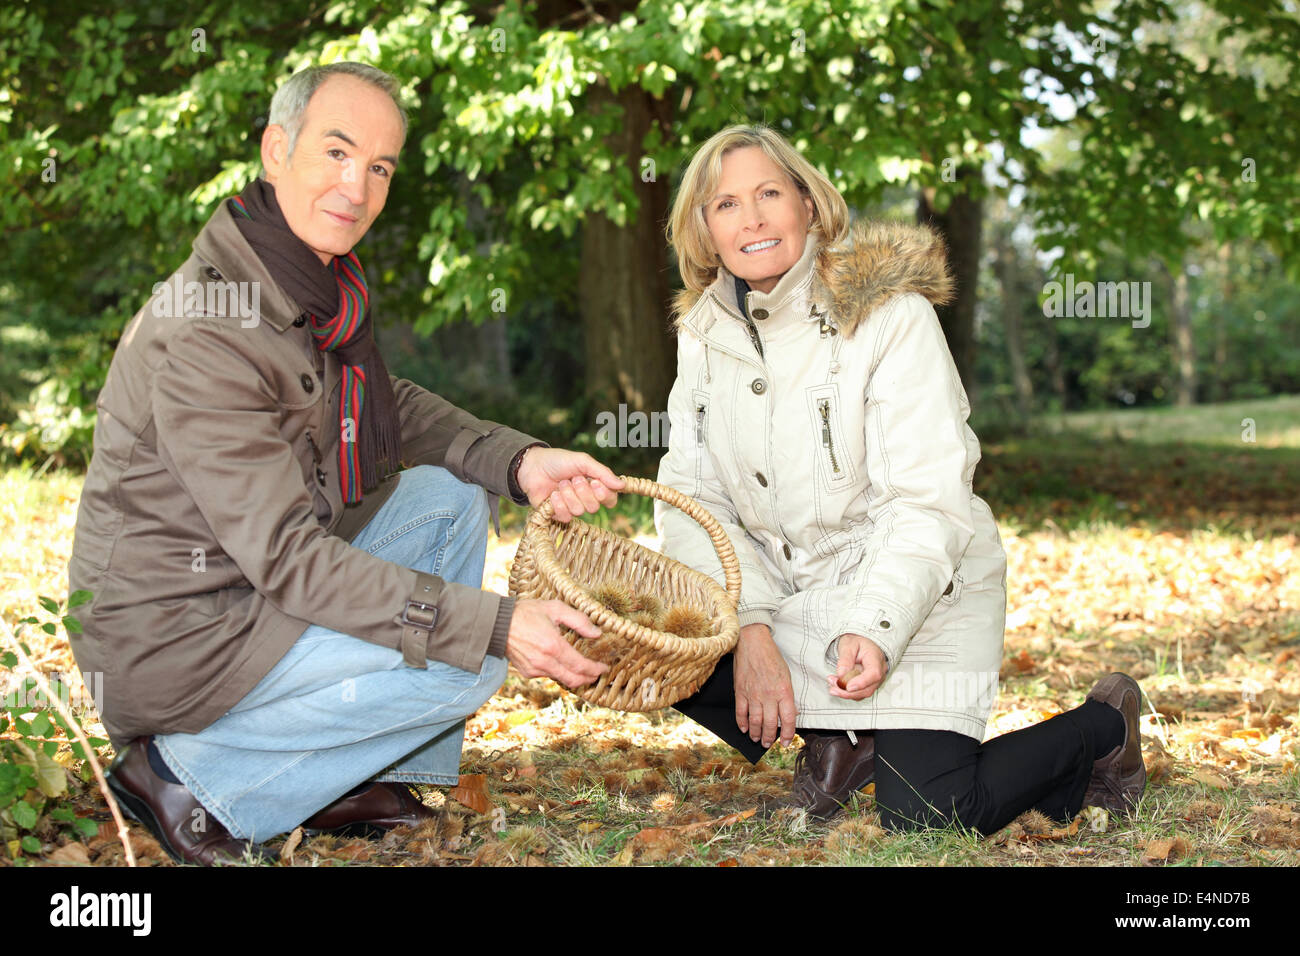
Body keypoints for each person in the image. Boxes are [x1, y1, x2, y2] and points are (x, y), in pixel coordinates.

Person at [68, 62, 620, 865]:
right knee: (463, 665)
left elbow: (385, 404)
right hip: (179, 640)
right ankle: (184, 777)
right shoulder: (209, 331)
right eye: (335, 152)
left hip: (246, 600)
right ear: (275, 149)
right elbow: (291, 560)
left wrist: (521, 461)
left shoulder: (307, 291)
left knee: (449, 498)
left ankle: (360, 768)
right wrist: (496, 626)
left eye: (379, 167)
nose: (355, 187)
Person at [655, 124, 1145, 833]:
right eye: (726, 204)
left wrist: (876, 628)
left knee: (931, 816)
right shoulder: (703, 337)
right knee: (639, 619)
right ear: (704, 229)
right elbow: (694, 502)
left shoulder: (890, 316)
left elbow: (926, 500)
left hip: (917, 593)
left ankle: (1105, 731)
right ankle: (841, 739)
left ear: (809, 206)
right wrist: (750, 630)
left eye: (769, 193)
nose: (752, 218)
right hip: (785, 599)